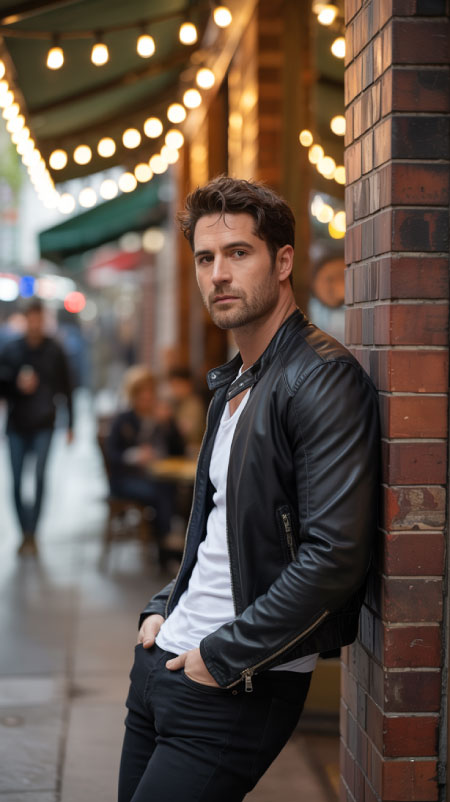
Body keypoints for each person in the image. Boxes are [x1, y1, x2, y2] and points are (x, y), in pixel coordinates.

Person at [118, 176, 379, 802]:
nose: (218, 275)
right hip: (164, 664)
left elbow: (335, 555)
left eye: (239, 253)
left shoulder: (321, 380)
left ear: (283, 261)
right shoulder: (235, 382)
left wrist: (223, 655)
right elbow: (216, 524)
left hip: (234, 683)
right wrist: (162, 605)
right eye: (206, 258)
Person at [0, 299, 73, 556]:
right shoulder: (11, 349)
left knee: (40, 477)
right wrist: (16, 384)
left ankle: (33, 532)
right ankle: (24, 531)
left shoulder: (55, 350)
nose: (35, 323)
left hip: (44, 422)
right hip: (17, 424)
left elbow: (67, 387)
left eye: (39, 318)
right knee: (17, 480)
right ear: (25, 319)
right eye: (31, 318)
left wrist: (70, 424)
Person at [106, 366, 185, 559]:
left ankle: (170, 541)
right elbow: (112, 456)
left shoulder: (161, 417)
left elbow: (178, 451)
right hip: (126, 479)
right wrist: (134, 455)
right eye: (142, 393)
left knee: (179, 491)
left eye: (151, 392)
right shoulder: (123, 420)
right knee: (163, 491)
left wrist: (169, 425)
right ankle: (165, 543)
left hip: (157, 475)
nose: (148, 397)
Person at [165, 366, 206, 456]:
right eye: (172, 385)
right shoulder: (175, 402)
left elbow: (186, 431)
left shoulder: (193, 404)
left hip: (193, 451)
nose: (174, 389)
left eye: (177, 385)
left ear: (188, 384)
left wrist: (168, 419)